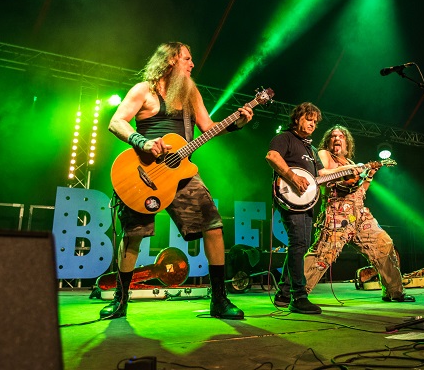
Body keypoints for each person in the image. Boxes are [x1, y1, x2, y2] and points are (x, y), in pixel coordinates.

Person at [102, 41, 253, 320]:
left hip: (182, 172)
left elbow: (208, 127)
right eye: (187, 58)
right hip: (143, 173)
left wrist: (237, 123)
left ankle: (219, 300)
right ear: (171, 60)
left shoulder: (190, 92)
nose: (192, 64)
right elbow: (116, 122)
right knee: (133, 236)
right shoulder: (143, 90)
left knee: (214, 226)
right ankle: (120, 300)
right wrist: (144, 143)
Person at [304, 125, 416, 302]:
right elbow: (323, 174)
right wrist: (352, 170)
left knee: (384, 244)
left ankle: (394, 291)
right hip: (337, 213)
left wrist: (369, 175)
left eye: (341, 136)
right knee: (322, 254)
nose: (337, 138)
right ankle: (296, 293)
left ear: (347, 143)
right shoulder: (325, 154)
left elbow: (361, 191)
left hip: (360, 214)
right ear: (328, 141)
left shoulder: (350, 163)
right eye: (333, 136)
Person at [265, 102, 350, 314]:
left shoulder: (311, 149)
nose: (312, 124)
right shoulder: (285, 138)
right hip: (291, 198)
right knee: (299, 244)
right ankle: (299, 296)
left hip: (307, 201)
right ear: (297, 118)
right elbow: (272, 157)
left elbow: (320, 176)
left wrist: (347, 171)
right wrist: (293, 177)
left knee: (299, 244)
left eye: (315, 121)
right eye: (308, 119)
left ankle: (284, 294)